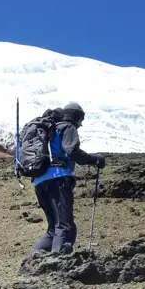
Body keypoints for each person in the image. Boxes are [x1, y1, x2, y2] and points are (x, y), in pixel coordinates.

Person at [31, 103, 105, 254]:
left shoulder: (50, 129)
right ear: (76, 117)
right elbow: (72, 152)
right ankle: (58, 264)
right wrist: (94, 159)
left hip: (39, 180)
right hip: (58, 179)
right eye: (81, 120)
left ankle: (34, 263)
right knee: (65, 226)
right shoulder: (67, 127)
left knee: (53, 228)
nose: (81, 124)